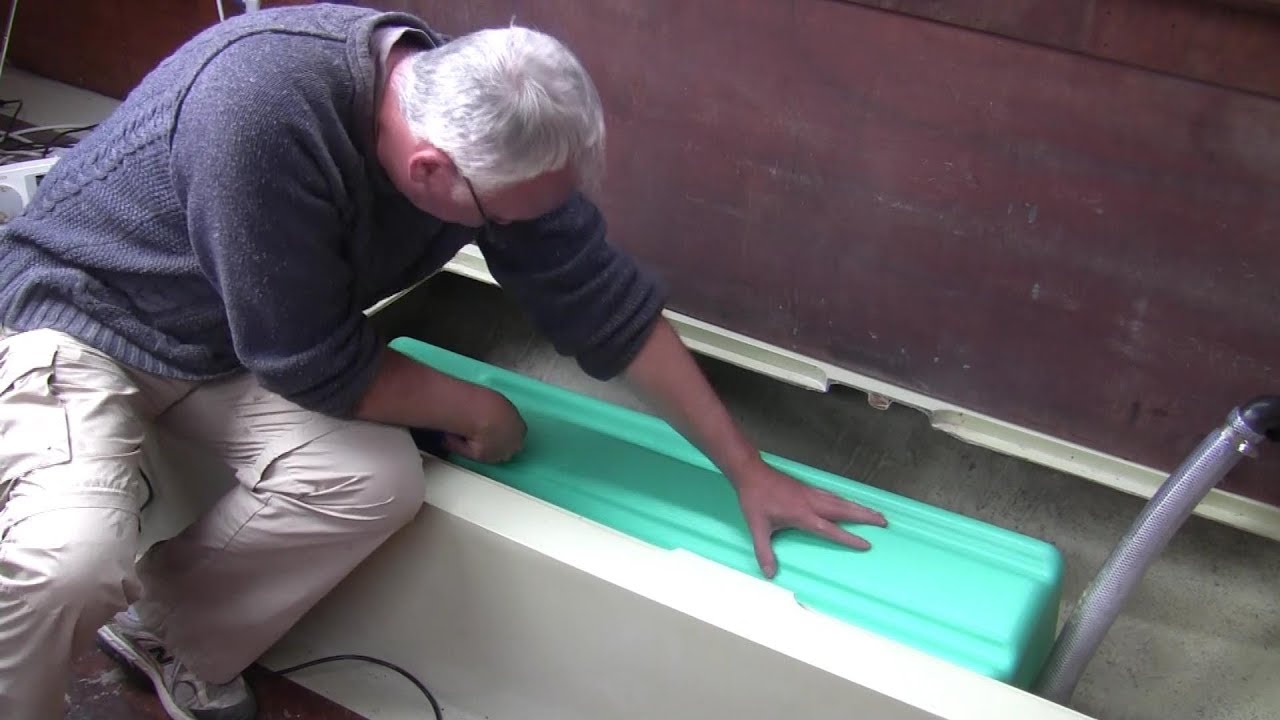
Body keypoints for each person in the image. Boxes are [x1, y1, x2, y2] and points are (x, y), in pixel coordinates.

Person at [0, 4, 886, 719]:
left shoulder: (490, 136)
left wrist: (746, 470)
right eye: (503, 219)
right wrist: (474, 407)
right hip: (87, 322)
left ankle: (164, 635)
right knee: (68, 562)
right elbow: (313, 362)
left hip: (235, 339)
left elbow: (605, 309)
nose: (522, 230)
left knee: (375, 484)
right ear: (428, 174)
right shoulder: (258, 116)